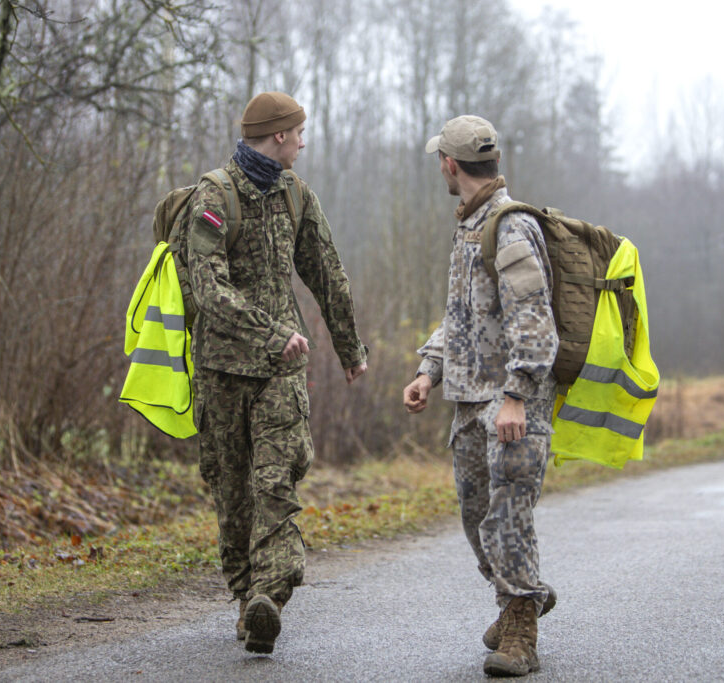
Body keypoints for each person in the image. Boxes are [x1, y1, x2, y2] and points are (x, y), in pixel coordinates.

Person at [185, 91, 368, 655]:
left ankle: (270, 593)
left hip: (281, 371)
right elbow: (207, 287)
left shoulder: (296, 195)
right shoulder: (214, 196)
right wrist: (268, 330)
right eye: (300, 132)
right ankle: (246, 601)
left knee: (275, 482)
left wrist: (349, 348)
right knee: (233, 493)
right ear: (280, 135)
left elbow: (326, 273)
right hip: (220, 371)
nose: (304, 141)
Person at [402, 115, 558, 677]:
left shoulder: (509, 228)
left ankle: (520, 631)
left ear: (450, 164)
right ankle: (523, 595)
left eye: (438, 159)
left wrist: (517, 395)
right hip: (469, 400)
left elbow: (535, 321)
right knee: (475, 517)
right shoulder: (469, 224)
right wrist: (429, 369)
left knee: (506, 514)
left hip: (512, 404)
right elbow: (462, 317)